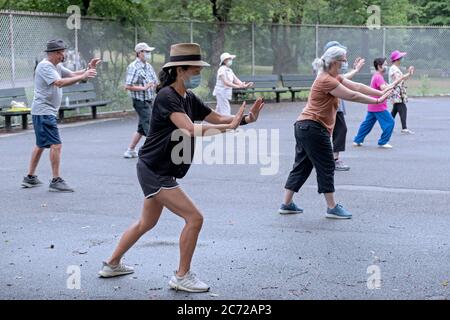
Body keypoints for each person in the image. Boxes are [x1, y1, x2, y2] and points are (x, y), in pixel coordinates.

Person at [99, 43, 264, 293]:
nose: (199, 74)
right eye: (195, 70)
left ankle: (111, 264)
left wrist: (246, 119)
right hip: (155, 170)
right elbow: (188, 129)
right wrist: (229, 128)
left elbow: (218, 118)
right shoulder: (167, 96)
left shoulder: (188, 97)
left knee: (146, 222)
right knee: (194, 218)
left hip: (157, 167)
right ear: (180, 71)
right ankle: (181, 276)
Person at [278, 46, 392, 219]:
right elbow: (352, 95)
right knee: (327, 165)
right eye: (343, 60)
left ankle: (286, 204)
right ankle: (331, 207)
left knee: (302, 165)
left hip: (304, 126)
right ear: (334, 61)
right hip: (313, 127)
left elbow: (357, 86)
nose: (345, 63)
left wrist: (381, 92)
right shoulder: (326, 80)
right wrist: (377, 100)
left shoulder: (332, 76)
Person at [21, 39, 99, 192]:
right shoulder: (45, 66)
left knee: (41, 145)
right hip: (44, 111)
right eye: (60, 52)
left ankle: (30, 178)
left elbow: (73, 74)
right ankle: (56, 180)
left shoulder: (56, 65)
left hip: (43, 112)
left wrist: (87, 70)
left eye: (63, 51)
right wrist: (83, 77)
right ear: (53, 53)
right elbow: (59, 82)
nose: (63, 55)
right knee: (56, 144)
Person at [321, 41, 365, 171]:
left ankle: (329, 158)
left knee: (336, 130)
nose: (343, 60)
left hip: (335, 106)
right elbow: (352, 92)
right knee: (335, 130)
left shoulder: (332, 72)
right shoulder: (325, 71)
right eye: (341, 57)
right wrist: (378, 99)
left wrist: (355, 70)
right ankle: (333, 159)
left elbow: (344, 79)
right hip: (328, 107)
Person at [353, 58, 409, 148]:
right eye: (385, 65)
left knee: (367, 124)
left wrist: (400, 79)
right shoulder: (378, 77)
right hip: (378, 106)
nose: (386, 67)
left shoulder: (378, 76)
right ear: (379, 66)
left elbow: (388, 86)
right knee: (390, 122)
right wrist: (396, 83)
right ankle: (383, 142)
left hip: (373, 106)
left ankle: (357, 140)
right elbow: (384, 88)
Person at [123, 43, 159, 158]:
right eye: (146, 51)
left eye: (149, 52)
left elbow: (155, 81)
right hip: (140, 101)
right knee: (150, 126)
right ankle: (152, 152)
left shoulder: (148, 66)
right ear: (139, 53)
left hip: (149, 100)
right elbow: (127, 86)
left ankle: (130, 150)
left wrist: (154, 86)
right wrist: (143, 88)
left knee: (141, 128)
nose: (148, 54)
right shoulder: (133, 67)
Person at [389, 50, 415, 134]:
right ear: (397, 59)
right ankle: (404, 128)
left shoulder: (395, 68)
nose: (402, 59)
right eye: (401, 57)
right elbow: (399, 79)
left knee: (395, 110)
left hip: (398, 91)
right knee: (403, 108)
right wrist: (407, 74)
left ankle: (387, 125)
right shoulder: (393, 68)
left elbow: (402, 78)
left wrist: (409, 73)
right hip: (396, 92)